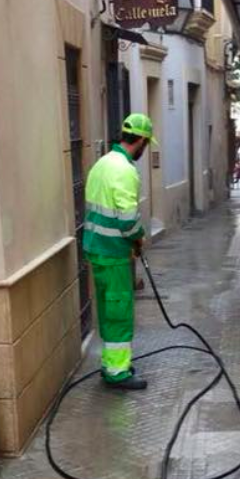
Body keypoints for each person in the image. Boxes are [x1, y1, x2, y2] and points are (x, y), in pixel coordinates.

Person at [83, 113, 156, 390]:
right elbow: (127, 220)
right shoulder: (125, 170)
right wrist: (138, 239)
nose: (145, 148)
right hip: (113, 252)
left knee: (107, 308)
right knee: (119, 311)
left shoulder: (101, 164)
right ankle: (117, 372)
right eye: (146, 143)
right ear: (141, 140)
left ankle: (110, 362)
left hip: (97, 249)